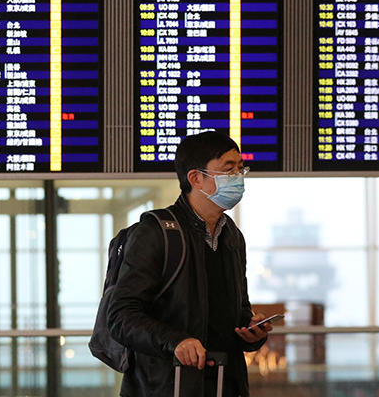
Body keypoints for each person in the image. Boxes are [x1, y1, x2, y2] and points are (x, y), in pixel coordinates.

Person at [107, 131, 272, 396]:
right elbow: (120, 317)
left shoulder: (231, 236)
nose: (238, 179)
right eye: (229, 170)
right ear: (196, 178)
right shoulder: (156, 232)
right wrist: (176, 342)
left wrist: (252, 331)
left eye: (241, 170)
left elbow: (237, 310)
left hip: (224, 383)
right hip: (165, 386)